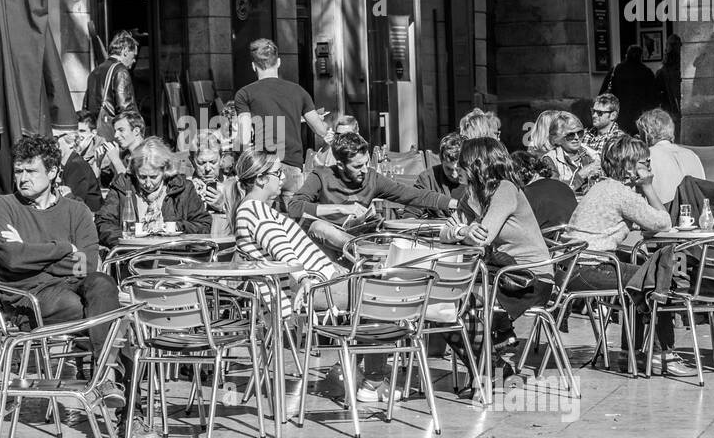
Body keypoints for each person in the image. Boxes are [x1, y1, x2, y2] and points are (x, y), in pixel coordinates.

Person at [0, 135, 154, 438]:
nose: (22, 178)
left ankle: (106, 382)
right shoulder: (1, 207)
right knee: (114, 320)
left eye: (31, 171)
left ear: (51, 172)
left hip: (73, 291)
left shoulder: (76, 211)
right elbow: (12, 258)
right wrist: (63, 248)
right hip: (31, 301)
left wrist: (33, 254)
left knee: (103, 285)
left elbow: (86, 265)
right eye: (19, 171)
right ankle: (129, 411)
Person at [231, 150, 349, 409]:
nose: (282, 177)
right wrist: (305, 276)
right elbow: (282, 251)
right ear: (261, 179)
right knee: (385, 293)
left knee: (385, 292)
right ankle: (363, 378)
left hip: (315, 284)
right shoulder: (255, 211)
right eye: (277, 173)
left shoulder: (255, 209)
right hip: (311, 290)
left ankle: (355, 376)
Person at [565, 136, 683, 374]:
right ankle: (664, 354)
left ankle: (634, 350)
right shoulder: (622, 193)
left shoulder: (602, 186)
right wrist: (648, 187)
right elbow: (663, 221)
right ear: (630, 167)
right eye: (644, 163)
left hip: (573, 266)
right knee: (654, 280)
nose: (649, 168)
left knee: (641, 271)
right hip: (590, 268)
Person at [447, 139, 552, 355]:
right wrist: (461, 231)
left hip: (529, 279)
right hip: (501, 275)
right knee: (447, 307)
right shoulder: (472, 196)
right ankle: (492, 359)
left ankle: (491, 363)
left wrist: (464, 232)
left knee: (454, 308)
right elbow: (447, 230)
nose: (457, 167)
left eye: (462, 162)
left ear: (477, 165)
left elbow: (481, 240)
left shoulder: (505, 189)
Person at [287, 132, 457, 257]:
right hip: (330, 249)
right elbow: (294, 207)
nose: (364, 170)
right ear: (340, 165)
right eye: (357, 166)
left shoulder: (372, 178)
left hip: (359, 244)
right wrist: (341, 209)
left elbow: (411, 194)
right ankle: (373, 254)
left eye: (366, 163)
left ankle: (372, 256)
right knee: (320, 227)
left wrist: (453, 203)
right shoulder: (321, 176)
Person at [233, 38, 332, 196]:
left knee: (264, 218)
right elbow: (321, 130)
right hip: (293, 167)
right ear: (278, 62)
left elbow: (244, 140)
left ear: (253, 66)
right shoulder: (298, 91)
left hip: (265, 170)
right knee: (293, 219)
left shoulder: (244, 94)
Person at [97, 138, 211, 249]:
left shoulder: (183, 188)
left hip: (174, 257)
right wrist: (127, 239)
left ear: (165, 170)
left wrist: (176, 227)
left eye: (153, 177)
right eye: (142, 177)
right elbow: (103, 224)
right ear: (134, 170)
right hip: (131, 256)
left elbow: (203, 224)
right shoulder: (122, 186)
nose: (147, 183)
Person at [636, 108, 704, 206]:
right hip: (696, 215)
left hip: (664, 215)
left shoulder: (646, 157)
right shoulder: (692, 155)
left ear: (647, 135)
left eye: (640, 133)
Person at [84, 31, 139, 141]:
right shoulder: (120, 71)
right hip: (113, 136)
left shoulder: (94, 72)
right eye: (134, 55)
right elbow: (126, 109)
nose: (134, 60)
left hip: (96, 136)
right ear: (125, 51)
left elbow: (85, 107)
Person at [510, 149, 576, 233]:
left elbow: (520, 229)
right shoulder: (563, 186)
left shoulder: (526, 194)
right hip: (573, 240)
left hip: (547, 242)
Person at [601, 46, 659, 139]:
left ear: (626, 55)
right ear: (640, 56)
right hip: (639, 117)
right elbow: (654, 99)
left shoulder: (616, 70)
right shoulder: (647, 72)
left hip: (618, 116)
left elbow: (602, 94)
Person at [543, 112, 602, 194]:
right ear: (558, 138)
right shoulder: (549, 160)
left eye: (580, 133)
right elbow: (555, 192)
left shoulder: (591, 155)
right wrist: (580, 176)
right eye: (571, 135)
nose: (577, 138)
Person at [54, 121, 103, 213]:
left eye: (56, 140)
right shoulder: (68, 163)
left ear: (70, 143)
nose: (53, 145)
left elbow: (73, 200)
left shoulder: (76, 165)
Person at [101, 109, 147, 186]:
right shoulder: (124, 156)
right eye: (115, 131)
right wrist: (97, 163)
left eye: (121, 130)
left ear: (136, 131)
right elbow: (103, 184)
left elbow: (131, 188)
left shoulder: (150, 154)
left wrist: (116, 160)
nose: (116, 135)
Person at [416, 132, 465, 199]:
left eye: (459, 169)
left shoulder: (476, 181)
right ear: (441, 161)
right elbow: (414, 207)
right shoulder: (427, 179)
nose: (454, 175)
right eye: (448, 169)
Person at [585, 94, 627, 158]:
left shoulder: (620, 140)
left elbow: (614, 165)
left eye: (599, 113)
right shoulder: (584, 134)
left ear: (613, 115)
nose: (594, 115)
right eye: (593, 111)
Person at [657, 33, 683, 133]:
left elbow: (658, 89)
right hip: (679, 103)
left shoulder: (664, 69)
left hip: (668, 106)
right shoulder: (681, 65)